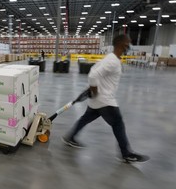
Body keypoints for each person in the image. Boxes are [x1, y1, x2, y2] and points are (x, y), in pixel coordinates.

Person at [62, 34, 149, 163]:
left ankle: (70, 137)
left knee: (85, 119)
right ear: (120, 44)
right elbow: (92, 75)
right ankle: (126, 153)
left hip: (98, 100)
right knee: (118, 123)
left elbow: (94, 69)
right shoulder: (112, 60)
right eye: (127, 43)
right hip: (105, 100)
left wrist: (93, 91)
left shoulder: (111, 58)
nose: (129, 46)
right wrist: (95, 90)